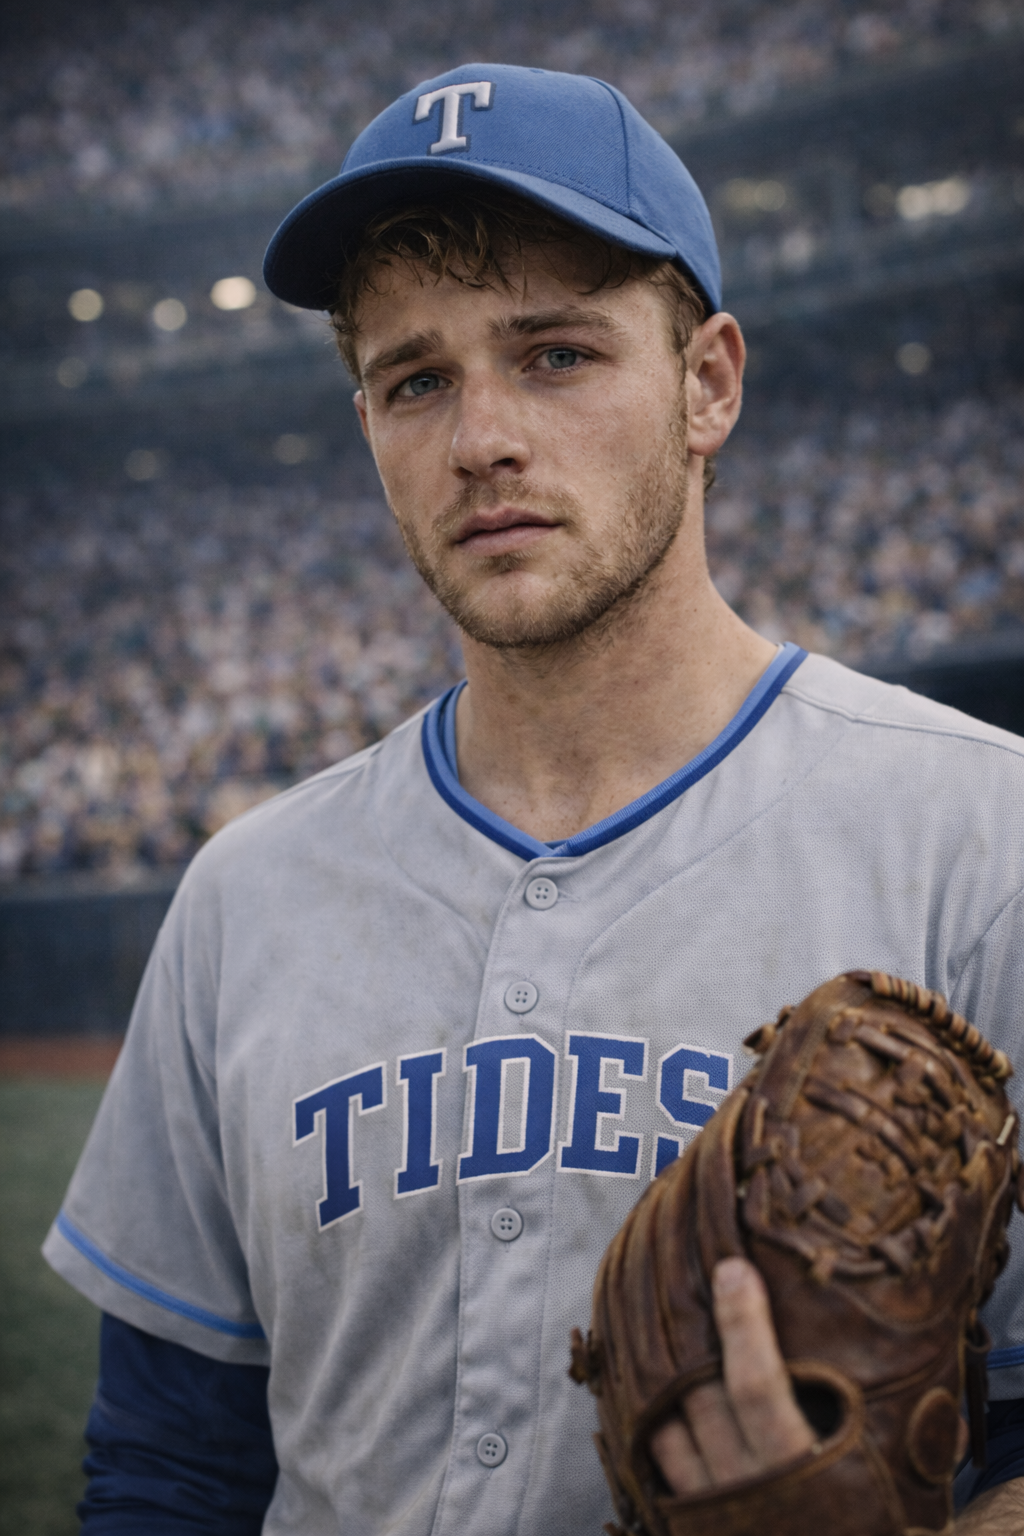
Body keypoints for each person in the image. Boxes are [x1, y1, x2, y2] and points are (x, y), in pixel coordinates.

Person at [45, 63, 1024, 1534]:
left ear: (710, 384)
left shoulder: (982, 839)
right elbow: (168, 1465)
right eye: (414, 378)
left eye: (556, 355)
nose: (480, 438)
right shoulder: (244, 895)